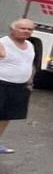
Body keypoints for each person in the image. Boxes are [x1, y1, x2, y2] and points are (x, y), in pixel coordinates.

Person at [0, 19, 37, 154]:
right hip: (2, 84)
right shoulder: (3, 44)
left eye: (29, 29)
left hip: (19, 87)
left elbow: (29, 64)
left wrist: (30, 82)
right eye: (23, 28)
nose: (27, 31)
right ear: (12, 29)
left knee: (6, 116)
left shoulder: (29, 45)